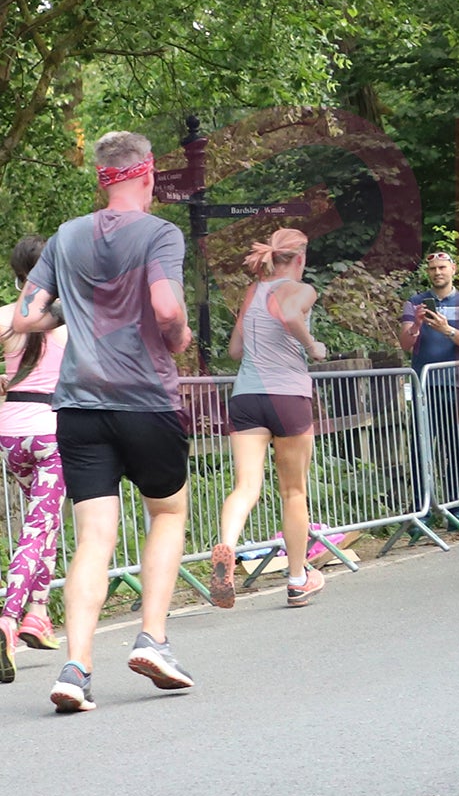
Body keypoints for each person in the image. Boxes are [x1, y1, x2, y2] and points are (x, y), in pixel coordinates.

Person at [9, 132, 193, 713]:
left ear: (101, 176)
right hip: (145, 400)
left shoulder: (67, 236)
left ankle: (76, 667)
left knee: (93, 537)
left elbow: (26, 317)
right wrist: (179, 335)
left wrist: (77, 309)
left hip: (79, 408)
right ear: (149, 173)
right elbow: (167, 308)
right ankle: (153, 640)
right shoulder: (160, 233)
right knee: (168, 512)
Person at [209, 229, 328, 610]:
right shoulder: (302, 289)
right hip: (287, 395)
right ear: (300, 258)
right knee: (293, 492)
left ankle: (226, 546)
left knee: (246, 486)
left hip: (246, 396)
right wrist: (312, 346)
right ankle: (297, 580)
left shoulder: (253, 292)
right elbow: (291, 315)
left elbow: (235, 349)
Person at [0, 236, 68, 681]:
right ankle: (8, 618)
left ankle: (39, 613)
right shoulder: (66, 318)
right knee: (36, 529)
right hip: (51, 431)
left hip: (10, 435)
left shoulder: (5, 316)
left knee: (44, 521)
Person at [399, 251, 459, 528]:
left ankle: (456, 510)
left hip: (458, 386)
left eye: (442, 268)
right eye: (433, 268)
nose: (438, 272)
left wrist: (447, 330)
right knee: (420, 450)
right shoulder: (415, 302)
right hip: (424, 387)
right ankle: (421, 513)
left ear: (453, 269)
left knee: (457, 448)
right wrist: (417, 324)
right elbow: (405, 343)